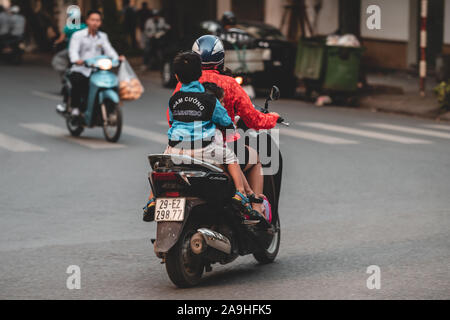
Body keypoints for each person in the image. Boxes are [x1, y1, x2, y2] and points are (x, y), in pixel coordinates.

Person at [143, 51, 263, 224]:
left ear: (176, 76)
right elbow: (225, 121)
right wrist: (230, 132)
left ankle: (152, 200)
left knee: (160, 168)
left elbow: (172, 121)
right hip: (203, 149)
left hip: (175, 149)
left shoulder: (174, 98)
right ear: (199, 74)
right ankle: (241, 193)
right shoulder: (209, 99)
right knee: (230, 157)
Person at [168, 35, 279, 215]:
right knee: (255, 158)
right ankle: (256, 207)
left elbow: (172, 118)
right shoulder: (229, 84)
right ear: (221, 58)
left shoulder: (182, 86)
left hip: (182, 146)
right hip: (214, 146)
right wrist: (273, 118)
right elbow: (253, 120)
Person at [66, 10, 123, 117]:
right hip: (81, 68)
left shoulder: (103, 36)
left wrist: (117, 58)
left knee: (112, 83)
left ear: (100, 23)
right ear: (87, 21)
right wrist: (76, 60)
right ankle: (75, 108)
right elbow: (73, 51)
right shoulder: (78, 35)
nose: (95, 23)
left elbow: (109, 50)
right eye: (92, 20)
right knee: (78, 81)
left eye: (97, 20)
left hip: (97, 70)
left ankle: (109, 110)